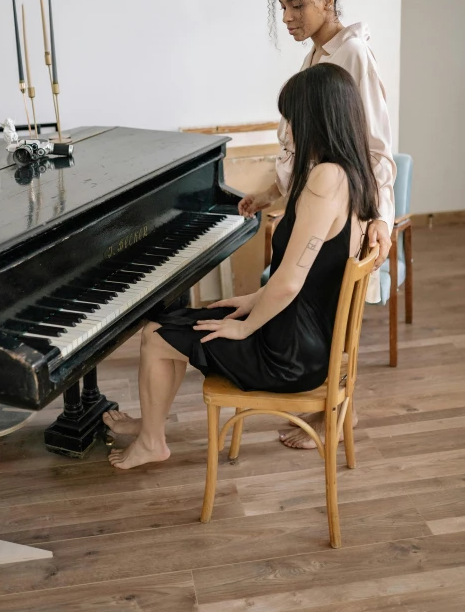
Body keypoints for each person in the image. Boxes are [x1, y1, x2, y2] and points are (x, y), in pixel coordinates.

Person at [103, 63, 378, 470]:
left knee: (156, 335)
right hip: (303, 339)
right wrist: (252, 300)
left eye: (291, 117)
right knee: (181, 320)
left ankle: (152, 440)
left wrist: (246, 325)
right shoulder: (352, 175)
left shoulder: (325, 179)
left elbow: (288, 283)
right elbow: (309, 277)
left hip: (288, 356)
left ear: (315, 118)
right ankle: (151, 426)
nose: (287, 129)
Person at [238, 0, 396, 448]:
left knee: (332, 299)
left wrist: (379, 217)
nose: (288, 18)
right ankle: (313, 395)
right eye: (283, 7)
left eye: (297, 5)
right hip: (329, 198)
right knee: (313, 293)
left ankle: (329, 413)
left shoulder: (353, 55)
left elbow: (374, 149)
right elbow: (302, 148)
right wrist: (267, 194)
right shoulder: (318, 54)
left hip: (352, 204)